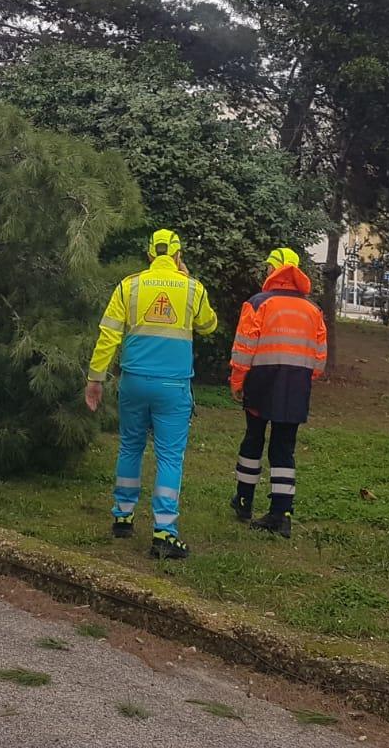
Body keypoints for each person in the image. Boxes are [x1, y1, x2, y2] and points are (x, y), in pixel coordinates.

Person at [84, 229, 217, 560]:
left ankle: (123, 517)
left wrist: (95, 378)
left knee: (130, 446)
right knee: (169, 456)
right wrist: (188, 278)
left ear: (149, 256)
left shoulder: (129, 286)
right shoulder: (192, 288)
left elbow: (108, 336)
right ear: (177, 256)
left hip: (134, 381)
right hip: (173, 386)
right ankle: (164, 533)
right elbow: (209, 325)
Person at [228, 247, 328, 537]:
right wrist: (301, 376)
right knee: (284, 447)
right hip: (296, 384)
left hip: (261, 381)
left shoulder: (258, 303)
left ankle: (244, 501)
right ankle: (281, 513)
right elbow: (319, 358)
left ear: (274, 269)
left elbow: (244, 347)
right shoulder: (313, 310)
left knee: (253, 439)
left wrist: (237, 381)